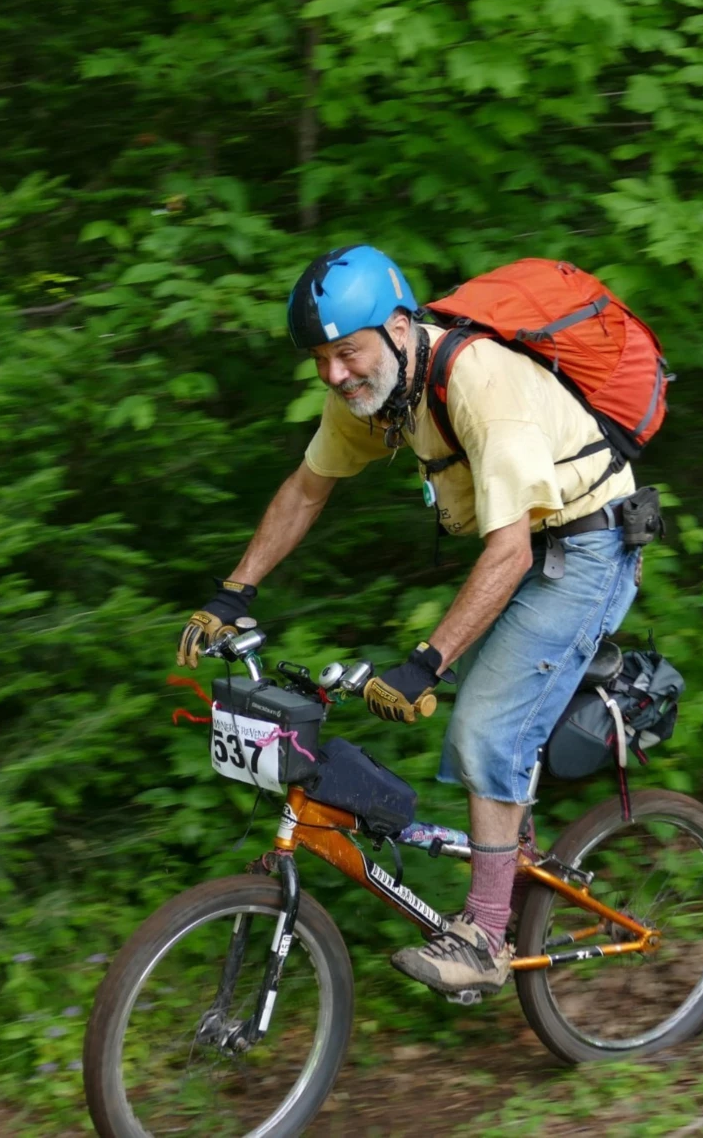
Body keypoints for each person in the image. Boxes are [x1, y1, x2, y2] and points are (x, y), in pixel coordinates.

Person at [176, 244, 642, 997]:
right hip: (530, 545)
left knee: (485, 728)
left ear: (398, 328)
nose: (334, 373)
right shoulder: (378, 392)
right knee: (489, 729)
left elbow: (511, 550)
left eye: (347, 352)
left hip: (589, 547)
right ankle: (518, 884)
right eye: (321, 359)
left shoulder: (478, 382)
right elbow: (305, 490)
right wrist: (234, 594)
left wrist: (427, 661)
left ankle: (486, 938)